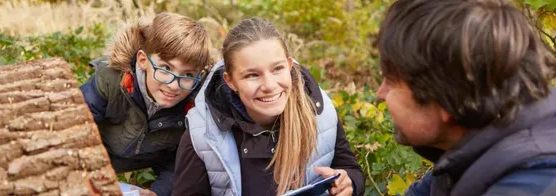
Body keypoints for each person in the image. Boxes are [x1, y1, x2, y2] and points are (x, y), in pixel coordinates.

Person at [374, 0, 556, 195]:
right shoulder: (470, 149)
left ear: (442, 95)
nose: (380, 94)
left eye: (391, 82)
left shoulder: (533, 181)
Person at [172, 17, 365, 196]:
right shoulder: (203, 135)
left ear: (289, 66)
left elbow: (351, 170)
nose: (269, 86)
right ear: (230, 81)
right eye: (252, 75)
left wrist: (349, 183)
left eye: (277, 69)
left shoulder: (319, 112)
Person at [79, 12, 213, 196]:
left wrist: (158, 192)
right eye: (166, 68)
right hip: (95, 159)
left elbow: (178, 164)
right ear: (143, 61)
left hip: (143, 165)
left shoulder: (194, 108)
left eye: (188, 75)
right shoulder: (112, 81)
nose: (173, 85)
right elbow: (77, 129)